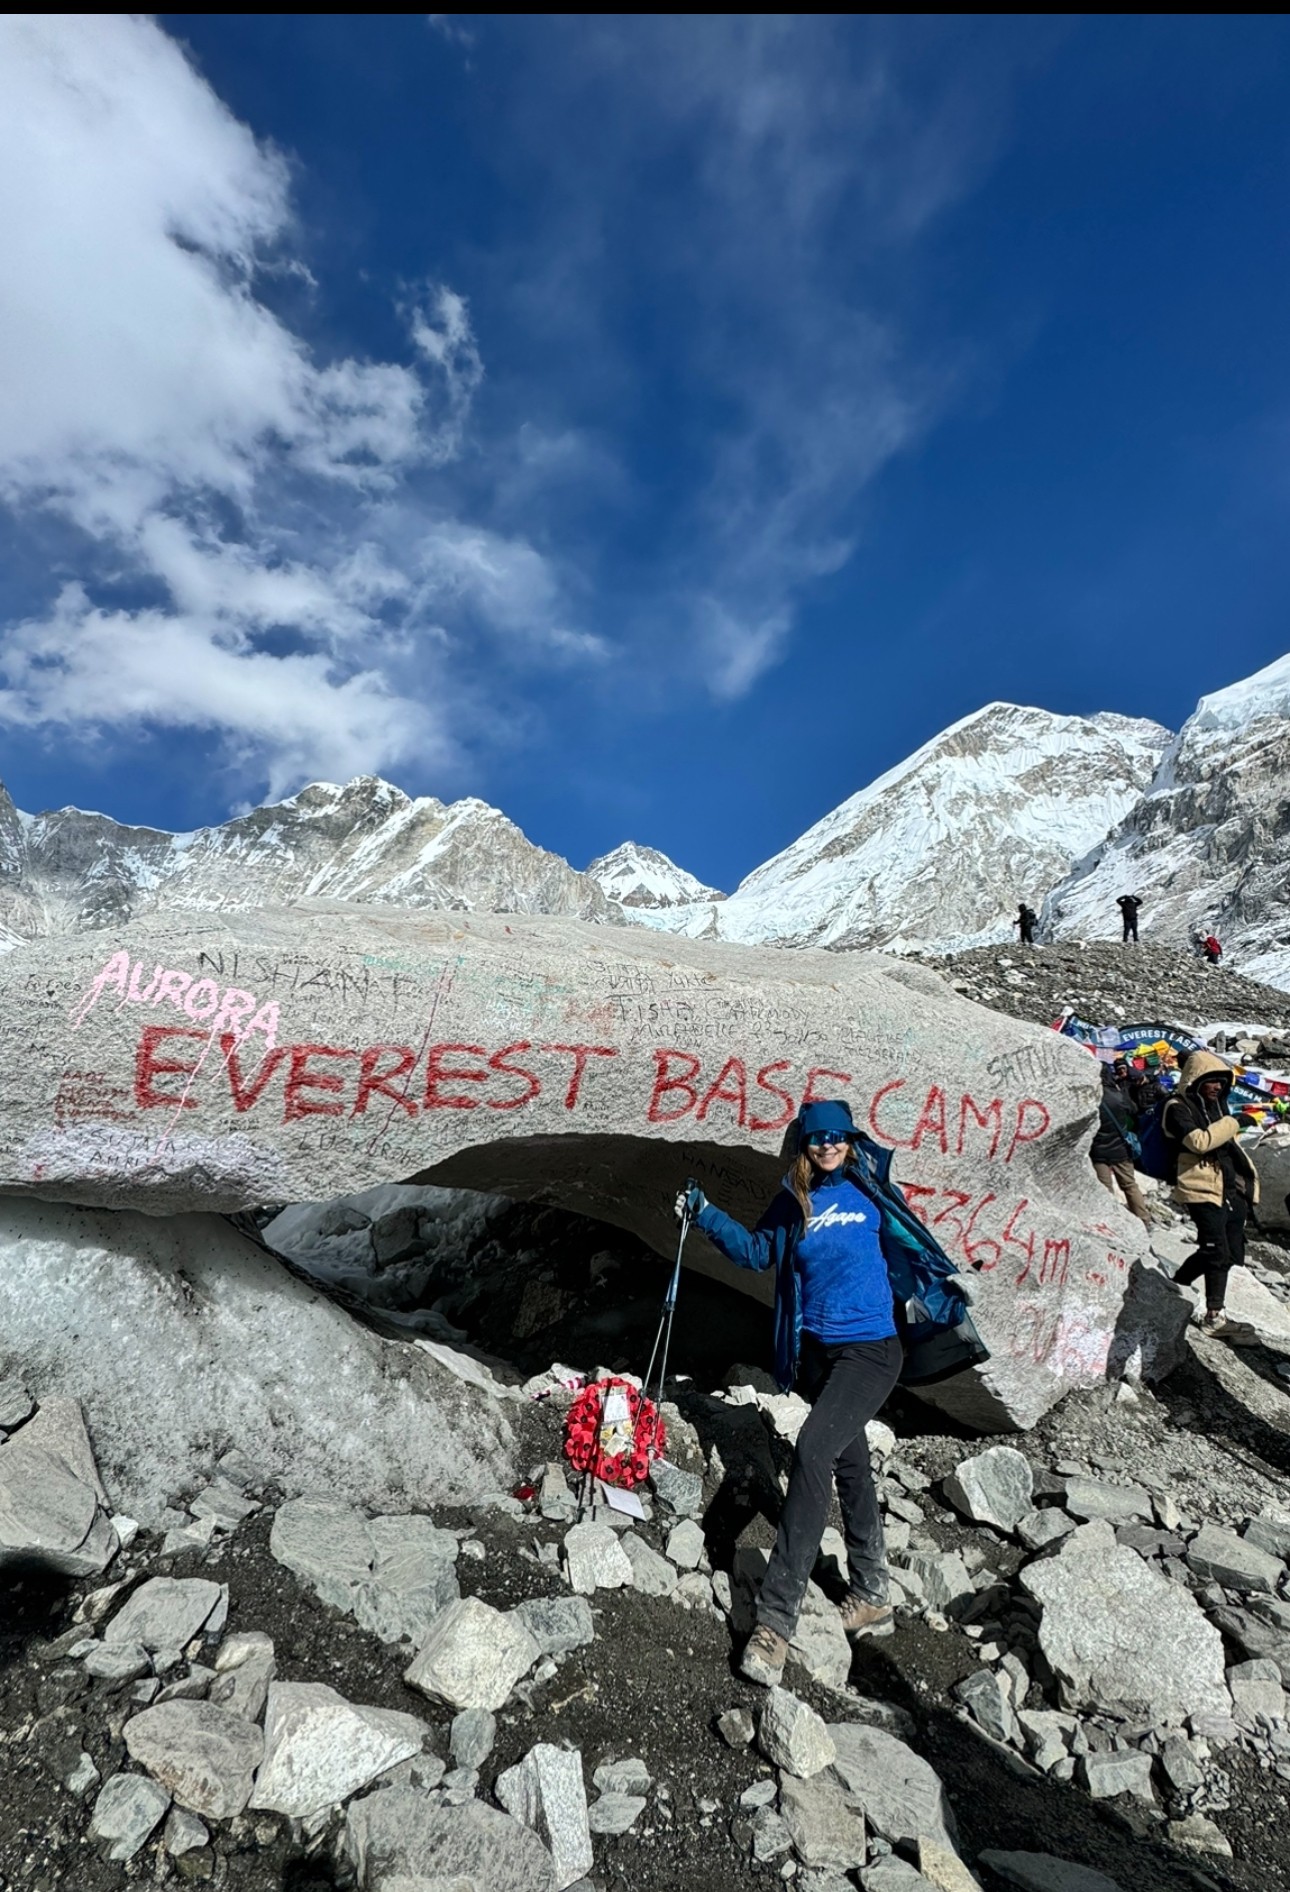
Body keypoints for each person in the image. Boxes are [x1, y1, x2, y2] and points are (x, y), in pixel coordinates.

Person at [675, 1099, 977, 1688]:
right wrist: (706, 1213)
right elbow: (757, 1252)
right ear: (804, 1145)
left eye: (839, 1135)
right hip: (820, 1359)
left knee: (813, 1450)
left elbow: (914, 1248)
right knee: (849, 1461)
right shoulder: (794, 1200)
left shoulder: (870, 1190)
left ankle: (775, 1621)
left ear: (851, 1140)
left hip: (874, 1352)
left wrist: (943, 1292)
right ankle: (871, 1592)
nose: (829, 1144)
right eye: (818, 1137)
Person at [1163, 1050, 1260, 1334]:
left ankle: (1180, 1289)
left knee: (1228, 1253)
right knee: (1215, 1250)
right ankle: (1210, 1312)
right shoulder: (1176, 1107)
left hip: (1229, 1188)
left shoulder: (1215, 1106)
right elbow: (1199, 1142)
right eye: (1211, 1081)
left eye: (1221, 1082)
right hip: (1199, 1186)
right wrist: (1234, 1122)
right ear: (1196, 1079)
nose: (1217, 1087)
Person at [1090, 1062, 1151, 1226]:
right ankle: (1143, 1219)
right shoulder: (1117, 1095)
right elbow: (1133, 1109)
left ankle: (1110, 1223)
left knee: (1104, 1189)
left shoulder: (1090, 1097)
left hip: (1097, 1149)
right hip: (1120, 1148)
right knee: (1130, 1185)